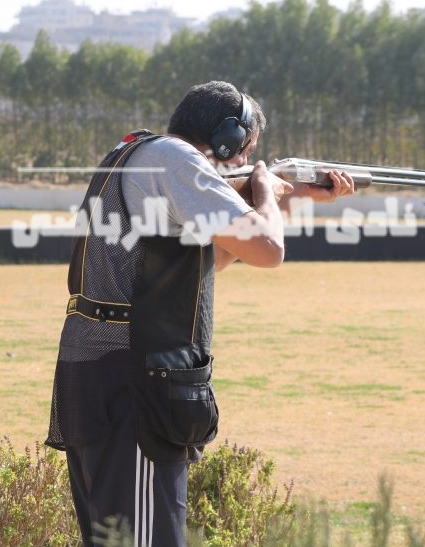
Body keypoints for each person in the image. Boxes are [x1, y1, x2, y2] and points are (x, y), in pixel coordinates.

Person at [45, 80, 355, 546]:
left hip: (99, 375)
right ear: (228, 140)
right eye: (246, 151)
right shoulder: (176, 161)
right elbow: (268, 250)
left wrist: (291, 197)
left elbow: (210, 263)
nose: (247, 162)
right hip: (138, 384)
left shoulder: (137, 151)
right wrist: (265, 191)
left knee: (115, 539)